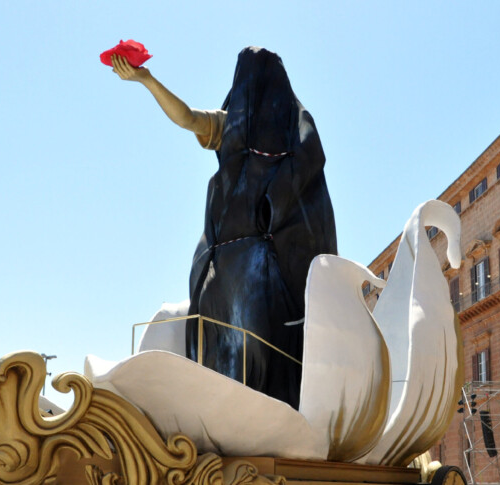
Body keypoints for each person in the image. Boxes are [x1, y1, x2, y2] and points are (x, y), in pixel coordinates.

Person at [111, 47, 337, 408]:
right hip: (225, 262)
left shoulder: (298, 134)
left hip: (274, 268)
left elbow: (308, 199)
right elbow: (187, 117)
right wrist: (147, 80)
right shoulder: (231, 126)